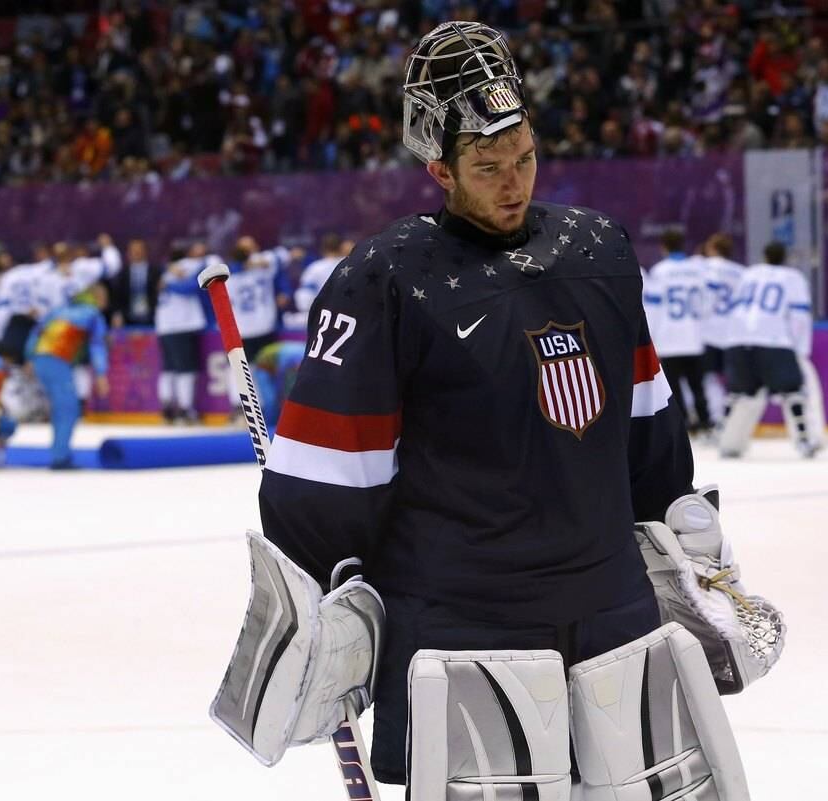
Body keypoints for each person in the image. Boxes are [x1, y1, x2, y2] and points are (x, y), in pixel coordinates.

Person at [239, 18, 727, 790]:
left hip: (614, 617)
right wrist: (320, 600)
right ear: (438, 166)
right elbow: (329, 481)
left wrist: (689, 544)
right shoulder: (385, 279)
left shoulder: (599, 250)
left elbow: (646, 425)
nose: (515, 182)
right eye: (489, 164)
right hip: (464, 632)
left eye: (526, 157)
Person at [718, 241, 819, 458]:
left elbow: (733, 307)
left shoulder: (749, 274)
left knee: (740, 395)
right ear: (785, 257)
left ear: (764, 256)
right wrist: (800, 349)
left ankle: (728, 442)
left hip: (739, 339)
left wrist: (731, 339)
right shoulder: (793, 278)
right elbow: (800, 316)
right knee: (793, 393)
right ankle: (804, 440)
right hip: (774, 340)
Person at [25, 284, 110, 469]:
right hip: (57, 360)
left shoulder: (59, 310)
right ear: (97, 298)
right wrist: (101, 374)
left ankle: (59, 452)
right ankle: (60, 457)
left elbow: (36, 332)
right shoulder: (92, 315)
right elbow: (97, 346)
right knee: (68, 409)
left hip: (41, 359)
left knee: (60, 408)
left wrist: (30, 357)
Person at [647, 229, 713, 434]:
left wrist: (652, 335)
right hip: (693, 337)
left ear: (664, 247)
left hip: (669, 338)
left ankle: (683, 424)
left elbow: (654, 307)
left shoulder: (660, 271)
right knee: (697, 384)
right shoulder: (697, 270)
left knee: (673, 387)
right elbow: (707, 304)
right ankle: (705, 422)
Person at [155, 244, 219, 423]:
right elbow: (193, 285)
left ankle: (168, 408)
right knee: (186, 370)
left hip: (165, 327)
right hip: (181, 326)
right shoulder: (186, 267)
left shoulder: (168, 271)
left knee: (170, 368)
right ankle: (184, 409)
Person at [700, 233, 745, 428]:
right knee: (733, 382)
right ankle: (731, 421)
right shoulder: (742, 272)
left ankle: (716, 418)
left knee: (708, 377)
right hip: (734, 333)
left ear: (713, 249)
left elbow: (703, 301)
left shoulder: (703, 268)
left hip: (709, 332)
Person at [293, 232, 348, 317]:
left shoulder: (315, 268)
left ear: (322, 248)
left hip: (323, 315)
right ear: (341, 247)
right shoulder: (351, 264)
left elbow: (303, 297)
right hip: (349, 313)